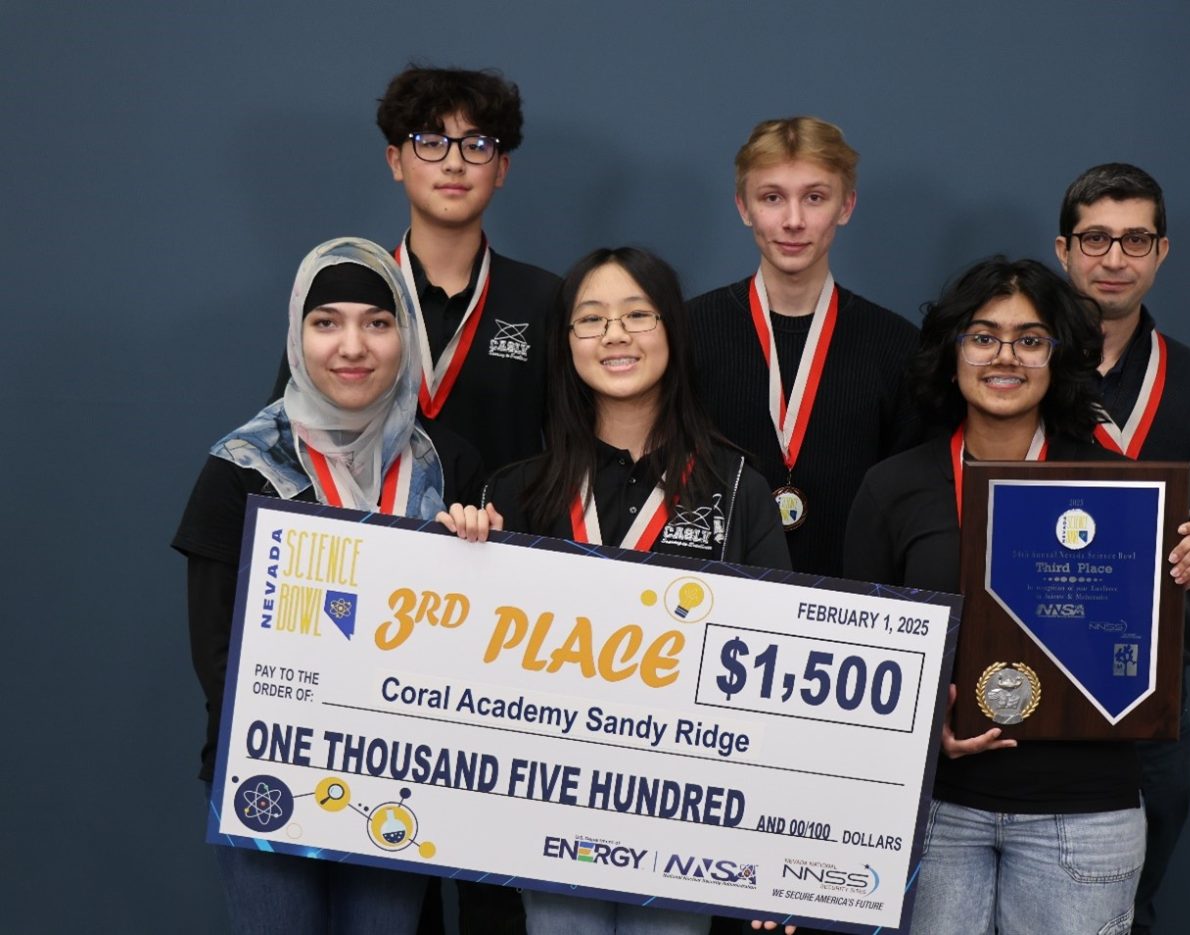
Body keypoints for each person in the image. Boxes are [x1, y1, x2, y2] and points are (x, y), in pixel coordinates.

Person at [844, 257, 1190, 935]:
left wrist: (1178, 576)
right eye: (982, 336)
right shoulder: (893, 487)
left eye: (1030, 338)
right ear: (951, 351)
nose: (1004, 356)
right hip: (933, 813)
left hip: (1082, 814)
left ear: (1058, 355)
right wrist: (924, 733)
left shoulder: (1125, 494)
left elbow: (1166, 654)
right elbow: (861, 658)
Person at [439, 247, 793, 935]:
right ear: (565, 342)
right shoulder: (513, 493)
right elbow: (462, 663)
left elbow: (775, 679)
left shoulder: (738, 487)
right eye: (591, 319)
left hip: (686, 815)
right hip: (546, 809)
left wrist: (774, 852)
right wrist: (456, 562)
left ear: (673, 333)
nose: (615, 335)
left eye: (638, 315)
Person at [173, 237, 483, 934]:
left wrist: (481, 550)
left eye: (377, 322)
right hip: (268, 771)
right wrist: (298, 740)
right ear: (297, 335)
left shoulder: (449, 465)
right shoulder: (242, 467)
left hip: (399, 775)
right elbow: (215, 649)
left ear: (407, 336)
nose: (352, 345)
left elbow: (472, 641)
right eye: (326, 322)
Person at [1054, 163, 1190, 934]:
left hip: (1150, 700)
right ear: (1064, 248)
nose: (1114, 257)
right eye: (1096, 237)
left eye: (1135, 239)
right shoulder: (1017, 370)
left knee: (1124, 907)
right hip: (1024, 688)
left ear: (1161, 251)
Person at [271, 65, 559, 476]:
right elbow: (285, 436)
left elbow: (575, 449)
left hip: (500, 533)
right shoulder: (343, 288)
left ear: (500, 170)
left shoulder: (545, 298)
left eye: (476, 145)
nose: (454, 163)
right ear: (396, 161)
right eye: (431, 142)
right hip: (365, 533)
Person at [688, 116, 922, 578]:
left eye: (815, 198)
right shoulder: (688, 331)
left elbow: (911, 507)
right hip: (711, 602)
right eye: (772, 198)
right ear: (743, 206)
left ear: (846, 205)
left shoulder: (899, 347)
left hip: (850, 609)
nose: (793, 221)